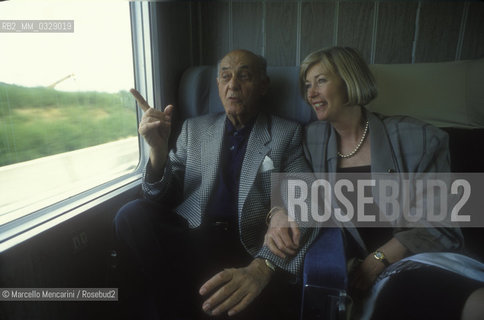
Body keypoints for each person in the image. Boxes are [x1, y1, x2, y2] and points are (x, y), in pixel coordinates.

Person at [265, 46, 484, 319]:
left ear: (350, 81)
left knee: (441, 293)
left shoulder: (419, 138)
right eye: (307, 85)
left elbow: (441, 221)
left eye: (321, 81)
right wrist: (278, 211)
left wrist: (380, 259)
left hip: (420, 258)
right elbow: (289, 181)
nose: (310, 94)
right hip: (357, 273)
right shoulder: (309, 139)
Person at [114, 49, 318, 319]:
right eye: (225, 77)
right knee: (131, 214)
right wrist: (157, 151)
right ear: (218, 85)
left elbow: (306, 200)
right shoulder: (193, 129)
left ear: (263, 85)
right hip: (190, 233)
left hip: (245, 243)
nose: (233, 84)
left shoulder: (286, 133)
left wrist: (262, 266)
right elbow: (158, 196)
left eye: (244, 76)